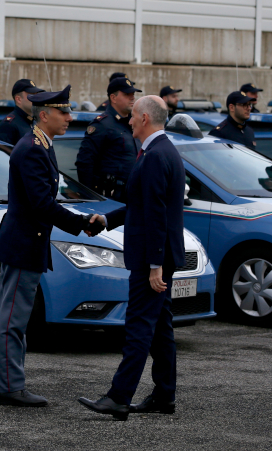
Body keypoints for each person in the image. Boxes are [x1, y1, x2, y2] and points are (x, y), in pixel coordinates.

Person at [77, 95, 185, 421]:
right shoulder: (160, 151)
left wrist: (154, 266)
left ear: (145, 118)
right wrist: (106, 219)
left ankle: (118, 397)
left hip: (151, 259)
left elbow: (156, 215)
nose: (129, 120)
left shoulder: (155, 155)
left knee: (138, 326)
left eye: (134, 116)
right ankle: (164, 395)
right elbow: (141, 206)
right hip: (157, 255)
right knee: (161, 329)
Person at [0, 85, 98, 408]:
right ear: (45, 115)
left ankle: (12, 384)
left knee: (16, 318)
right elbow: (41, 204)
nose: (70, 117)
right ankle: (9, 387)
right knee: (12, 320)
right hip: (23, 243)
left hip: (28, 242)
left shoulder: (42, 145)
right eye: (63, 112)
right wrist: (80, 223)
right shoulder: (32, 149)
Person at [76, 77, 141, 202]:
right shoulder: (102, 125)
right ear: (113, 98)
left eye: (133, 94)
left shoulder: (132, 123)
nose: (132, 97)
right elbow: (85, 163)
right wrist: (91, 197)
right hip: (111, 197)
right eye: (127, 94)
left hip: (132, 195)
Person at [0, 79, 44, 146]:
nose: (36, 98)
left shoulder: (33, 122)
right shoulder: (9, 125)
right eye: (32, 96)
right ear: (18, 99)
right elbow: (2, 151)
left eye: (36, 95)